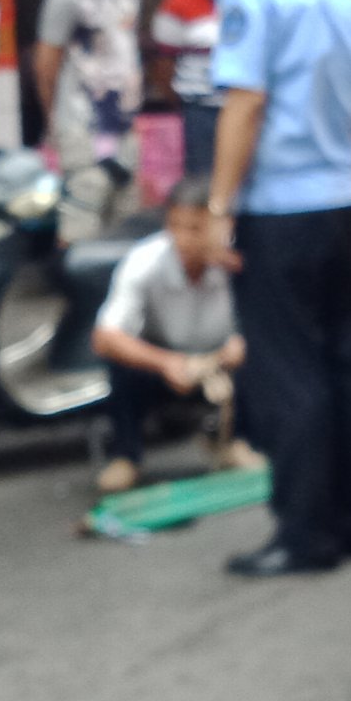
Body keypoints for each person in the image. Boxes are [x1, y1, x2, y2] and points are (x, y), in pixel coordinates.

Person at [203, 0, 351, 578]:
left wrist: (219, 207)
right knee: (348, 358)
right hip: (340, 197)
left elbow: (245, 102)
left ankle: (305, 531)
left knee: (288, 370)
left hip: (280, 203)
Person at [89, 175, 262, 494]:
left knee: (261, 353)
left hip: (221, 364)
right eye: (175, 227)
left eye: (195, 229)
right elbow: (105, 337)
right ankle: (126, 456)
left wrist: (244, 339)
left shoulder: (238, 259)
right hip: (165, 364)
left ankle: (237, 442)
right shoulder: (145, 260)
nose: (183, 239)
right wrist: (167, 363)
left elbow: (269, 318)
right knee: (122, 361)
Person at [34, 0, 148, 243]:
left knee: (125, 224)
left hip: (123, 125)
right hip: (82, 125)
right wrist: (55, 121)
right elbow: (46, 64)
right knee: (80, 222)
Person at [150, 0, 227, 177]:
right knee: (202, 183)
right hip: (199, 112)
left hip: (244, 107)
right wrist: (184, 103)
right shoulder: (177, 3)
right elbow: (163, 67)